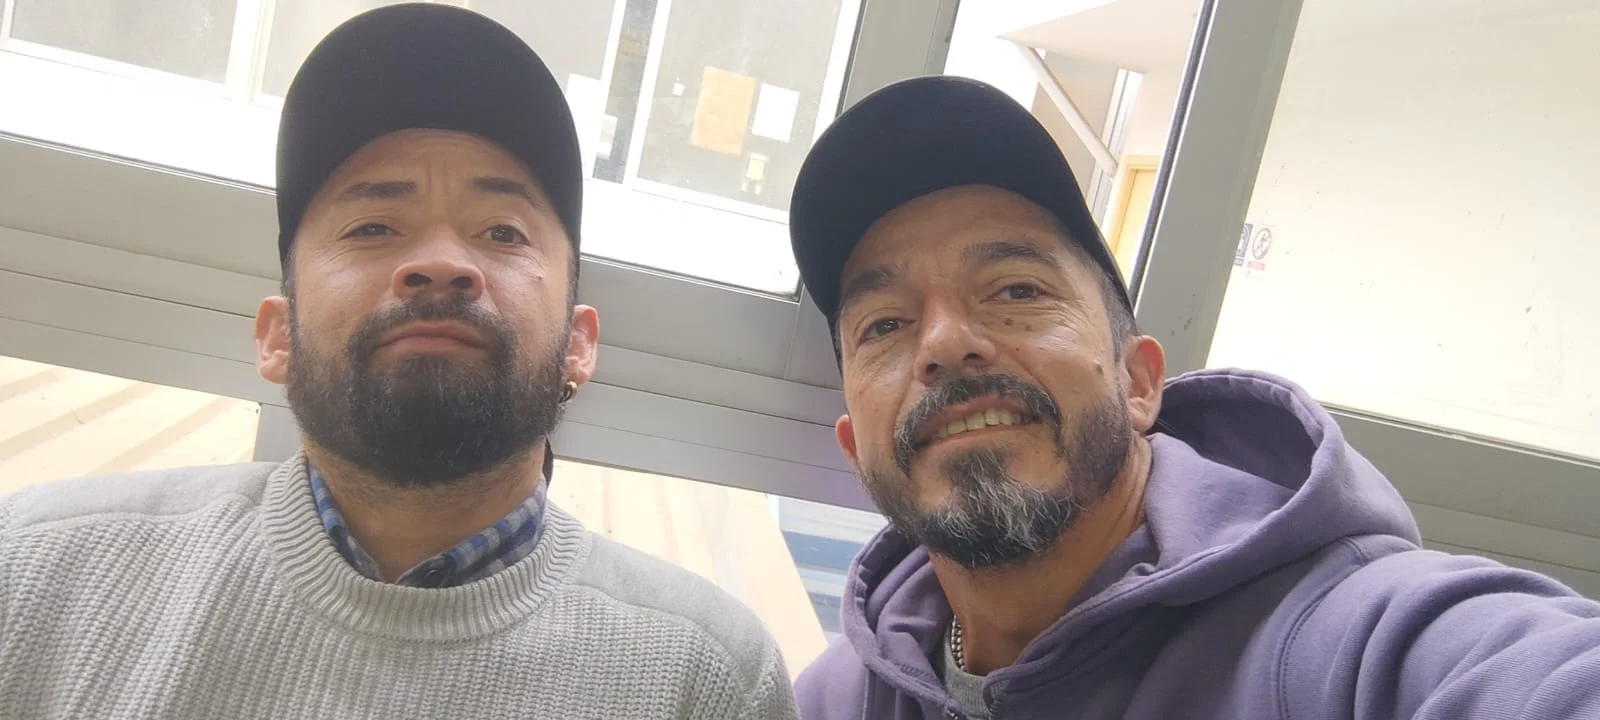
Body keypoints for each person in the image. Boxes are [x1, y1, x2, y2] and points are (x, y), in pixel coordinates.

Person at [0, 6, 794, 718]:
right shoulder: (33, 575)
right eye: (374, 228)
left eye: (503, 233)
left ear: (577, 346)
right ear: (278, 335)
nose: (442, 262)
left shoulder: (710, 681)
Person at [784, 76, 1600, 719]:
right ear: (858, 450)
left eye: (1017, 290)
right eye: (885, 324)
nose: (943, 342)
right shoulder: (831, 700)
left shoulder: (1344, 641)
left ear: (1139, 384)